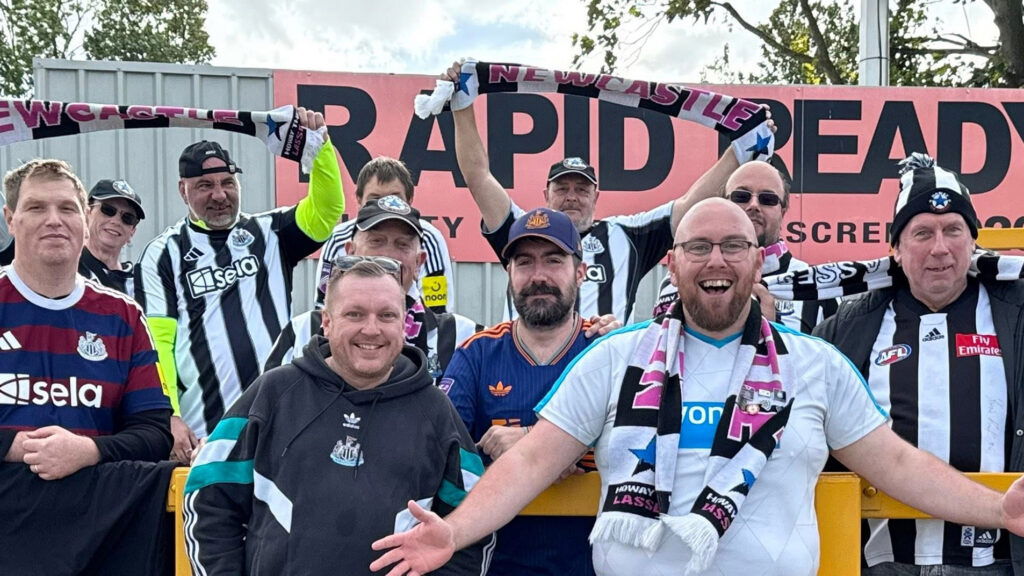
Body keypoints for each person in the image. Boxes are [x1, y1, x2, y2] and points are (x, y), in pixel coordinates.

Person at [371, 198, 1024, 576]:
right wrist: (454, 533)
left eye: (734, 247)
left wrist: (998, 510)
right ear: (673, 262)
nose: (718, 260)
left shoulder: (816, 364)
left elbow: (900, 465)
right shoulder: (612, 359)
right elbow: (532, 464)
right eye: (700, 247)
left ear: (758, 260)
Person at [183, 259, 492, 576]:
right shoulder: (273, 394)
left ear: (403, 325)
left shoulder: (436, 412)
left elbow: (474, 525)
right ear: (327, 322)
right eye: (354, 314)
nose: (371, 329)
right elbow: (209, 499)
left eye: (386, 315)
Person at [814, 154, 1024, 574]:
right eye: (922, 233)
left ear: (973, 241)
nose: (940, 248)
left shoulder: (1016, 311)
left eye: (953, 230)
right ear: (895, 247)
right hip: (884, 558)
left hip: (995, 560)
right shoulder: (849, 327)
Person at [442, 61, 751, 323]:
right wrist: (462, 104)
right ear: (546, 195)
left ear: (596, 195)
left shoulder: (628, 236)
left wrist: (743, 148)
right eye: (562, 188)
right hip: (525, 372)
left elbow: (690, 207)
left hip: (604, 381)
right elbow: (478, 177)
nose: (572, 196)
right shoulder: (523, 230)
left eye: (581, 189)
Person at [0, 159, 174, 575]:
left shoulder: (123, 317)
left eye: (67, 208)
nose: (54, 220)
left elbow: (154, 431)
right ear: (11, 219)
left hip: (96, 538)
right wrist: (16, 447)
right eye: (37, 208)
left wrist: (88, 451)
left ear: (84, 220)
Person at [135, 108, 345, 451]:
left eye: (227, 183)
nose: (219, 195)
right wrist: (168, 415)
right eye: (205, 186)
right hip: (204, 430)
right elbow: (158, 344)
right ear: (183, 191)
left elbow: (326, 210)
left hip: (281, 421)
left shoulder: (272, 232)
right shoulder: (163, 253)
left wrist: (319, 147)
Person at [443, 208, 607, 576]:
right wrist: (490, 458)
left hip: (593, 564)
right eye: (524, 262)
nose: (539, 276)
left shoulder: (609, 350)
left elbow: (638, 448)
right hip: (496, 562)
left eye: (553, 260)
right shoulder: (477, 354)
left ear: (580, 273)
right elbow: (444, 454)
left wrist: (537, 445)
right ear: (509, 274)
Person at [264, 195, 479, 380]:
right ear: (350, 252)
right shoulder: (304, 330)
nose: (388, 255)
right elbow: (266, 412)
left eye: (402, 244)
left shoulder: (463, 337)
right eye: (376, 241)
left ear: (419, 263)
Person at [653, 160, 838, 333]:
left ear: (782, 212)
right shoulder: (677, 280)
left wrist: (773, 332)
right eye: (741, 196)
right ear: (724, 203)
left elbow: (830, 362)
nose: (754, 205)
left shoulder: (817, 286)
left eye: (768, 199)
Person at [314, 156, 455, 313]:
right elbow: (324, 307)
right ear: (359, 201)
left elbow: (437, 310)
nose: (385, 206)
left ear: (410, 200)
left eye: (394, 199)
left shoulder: (429, 238)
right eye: (375, 199)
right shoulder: (338, 238)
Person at [80, 178, 145, 296]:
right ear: (86, 214)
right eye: (108, 210)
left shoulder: (141, 285)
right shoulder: (67, 271)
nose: (116, 221)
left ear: (132, 232)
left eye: (127, 217)